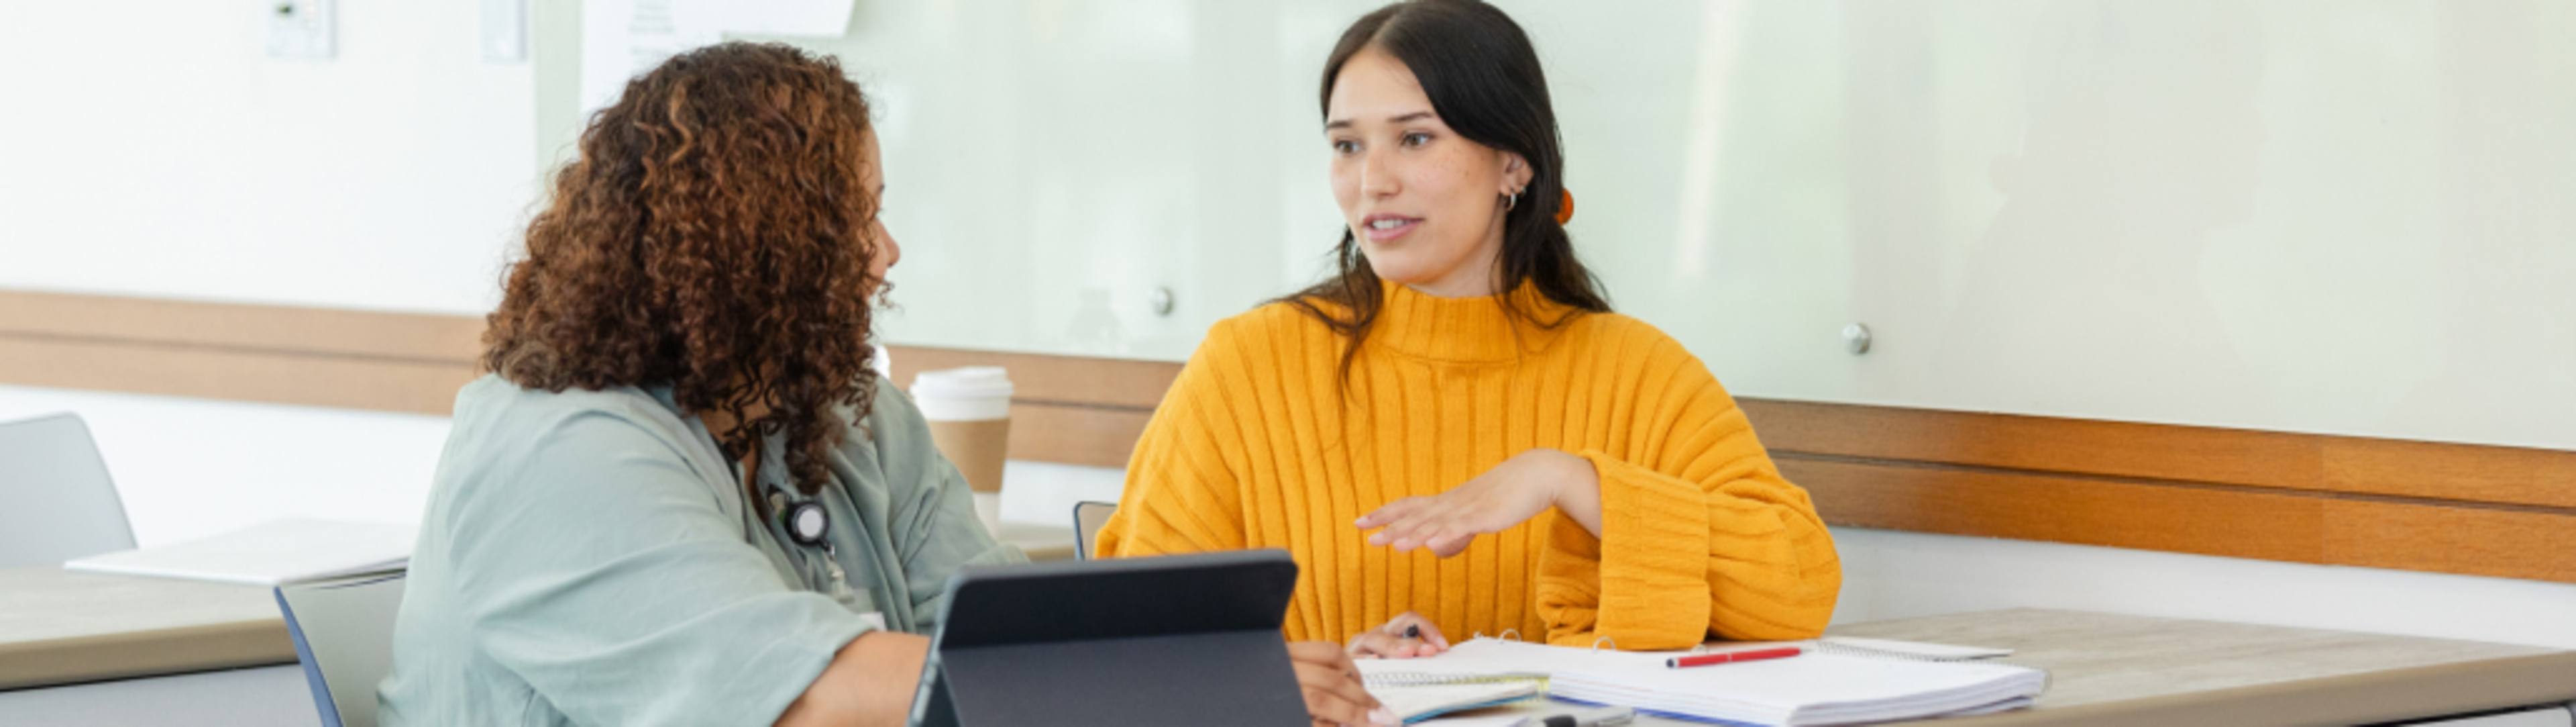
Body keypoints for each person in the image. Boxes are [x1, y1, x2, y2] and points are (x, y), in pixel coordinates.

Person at [1097, 0, 1844, 700]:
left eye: (1415, 138)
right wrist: (1282, 681)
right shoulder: (1248, 368)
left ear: (1514, 165)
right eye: (1347, 146)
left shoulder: (1638, 373)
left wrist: (1570, 479)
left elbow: (1800, 585)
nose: (1373, 182)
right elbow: (1117, 645)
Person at [377, 43, 1024, 727]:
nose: (885, 254)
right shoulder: (556, 452)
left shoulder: (851, 415)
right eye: (855, 221)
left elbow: (1002, 632)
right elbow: (807, 703)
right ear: (756, 249)